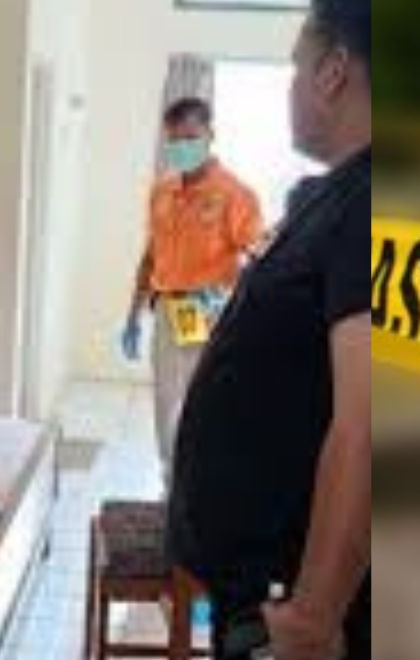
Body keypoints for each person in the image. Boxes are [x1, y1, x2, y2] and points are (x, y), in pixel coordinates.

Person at [166, 0, 371, 660]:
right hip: (255, 588)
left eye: (294, 67)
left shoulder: (371, 205)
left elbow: (370, 419)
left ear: (332, 73)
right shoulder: (332, 196)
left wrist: (314, 612)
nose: (290, 86)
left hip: (289, 606)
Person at [121, 97, 262, 481]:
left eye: (190, 137)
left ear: (210, 135)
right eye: (174, 140)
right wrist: (133, 316)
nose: (182, 147)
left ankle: (202, 482)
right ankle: (172, 482)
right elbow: (151, 256)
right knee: (166, 406)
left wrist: (233, 307)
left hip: (211, 312)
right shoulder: (162, 191)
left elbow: (258, 257)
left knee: (206, 405)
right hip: (169, 311)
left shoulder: (235, 195)